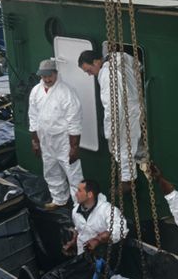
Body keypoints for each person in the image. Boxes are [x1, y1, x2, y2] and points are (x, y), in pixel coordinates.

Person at [78, 49, 144, 191]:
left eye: (89, 70)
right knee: (127, 144)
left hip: (127, 112)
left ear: (96, 62)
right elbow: (137, 65)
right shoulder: (118, 59)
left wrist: (109, 131)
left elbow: (113, 107)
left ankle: (127, 182)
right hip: (134, 104)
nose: (90, 74)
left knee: (122, 145)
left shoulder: (107, 75)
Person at [28, 58, 84, 210]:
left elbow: (74, 121)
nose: (47, 79)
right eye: (44, 76)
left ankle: (79, 207)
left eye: (49, 75)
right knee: (51, 171)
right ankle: (59, 199)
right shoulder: (35, 91)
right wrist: (35, 141)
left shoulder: (66, 92)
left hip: (64, 140)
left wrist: (74, 147)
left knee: (74, 175)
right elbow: (32, 116)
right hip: (45, 140)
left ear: (55, 73)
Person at [63, 179, 129, 255]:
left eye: (79, 191)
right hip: (83, 256)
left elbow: (121, 230)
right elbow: (79, 230)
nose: (76, 194)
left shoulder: (108, 210)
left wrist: (98, 240)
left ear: (90, 194)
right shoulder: (75, 211)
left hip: (105, 256)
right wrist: (73, 242)